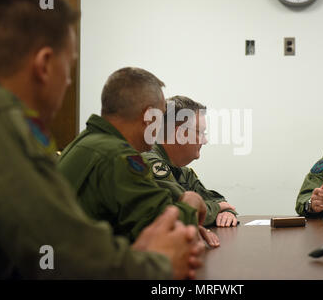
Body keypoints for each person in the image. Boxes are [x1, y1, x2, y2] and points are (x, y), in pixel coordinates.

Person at [0, 0, 203, 279]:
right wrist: (156, 264)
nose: (68, 82)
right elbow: (60, 247)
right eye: (68, 67)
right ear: (44, 64)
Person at [57, 67, 219, 246]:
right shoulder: (119, 158)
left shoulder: (84, 143)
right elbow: (166, 232)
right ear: (149, 116)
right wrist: (191, 204)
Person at [143, 96, 238, 227]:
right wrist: (218, 208)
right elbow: (184, 216)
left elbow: (214, 200)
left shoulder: (182, 171)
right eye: (201, 133)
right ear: (181, 134)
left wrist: (227, 211)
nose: (205, 141)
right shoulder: (150, 163)